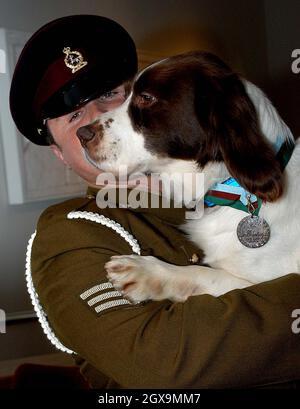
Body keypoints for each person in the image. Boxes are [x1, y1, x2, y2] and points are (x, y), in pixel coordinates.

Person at [9, 15, 300, 389]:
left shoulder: (226, 185)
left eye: (110, 95)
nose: (98, 118)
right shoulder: (69, 234)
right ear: (61, 154)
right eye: (75, 116)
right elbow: (163, 365)